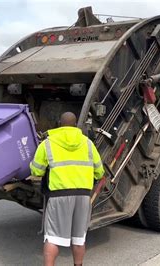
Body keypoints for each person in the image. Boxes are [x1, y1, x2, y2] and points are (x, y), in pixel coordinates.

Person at [30, 112, 104, 266]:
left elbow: (36, 171)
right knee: (79, 239)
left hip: (59, 195)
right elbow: (99, 171)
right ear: (76, 124)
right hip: (83, 196)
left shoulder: (48, 143)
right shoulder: (88, 143)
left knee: (53, 238)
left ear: (59, 123)